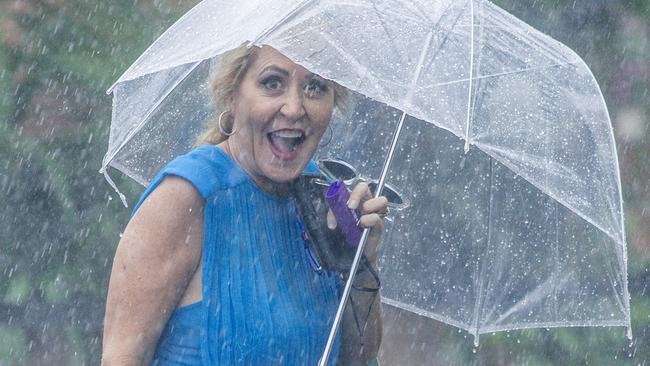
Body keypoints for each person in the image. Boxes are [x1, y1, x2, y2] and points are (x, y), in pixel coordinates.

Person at [101, 45, 388, 366]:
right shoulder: (186, 197)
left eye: (315, 87)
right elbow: (121, 358)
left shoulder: (320, 195)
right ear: (232, 94)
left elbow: (357, 357)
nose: (294, 108)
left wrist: (361, 262)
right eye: (272, 83)